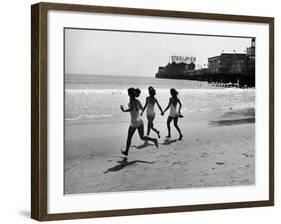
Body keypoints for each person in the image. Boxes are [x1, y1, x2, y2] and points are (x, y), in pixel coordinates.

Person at [120, 88, 158, 156]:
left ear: (131, 94)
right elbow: (142, 108)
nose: (128, 94)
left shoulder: (131, 100)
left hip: (134, 122)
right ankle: (154, 140)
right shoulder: (137, 101)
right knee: (142, 137)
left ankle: (126, 152)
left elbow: (132, 108)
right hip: (139, 121)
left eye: (128, 93)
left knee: (129, 138)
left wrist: (124, 110)